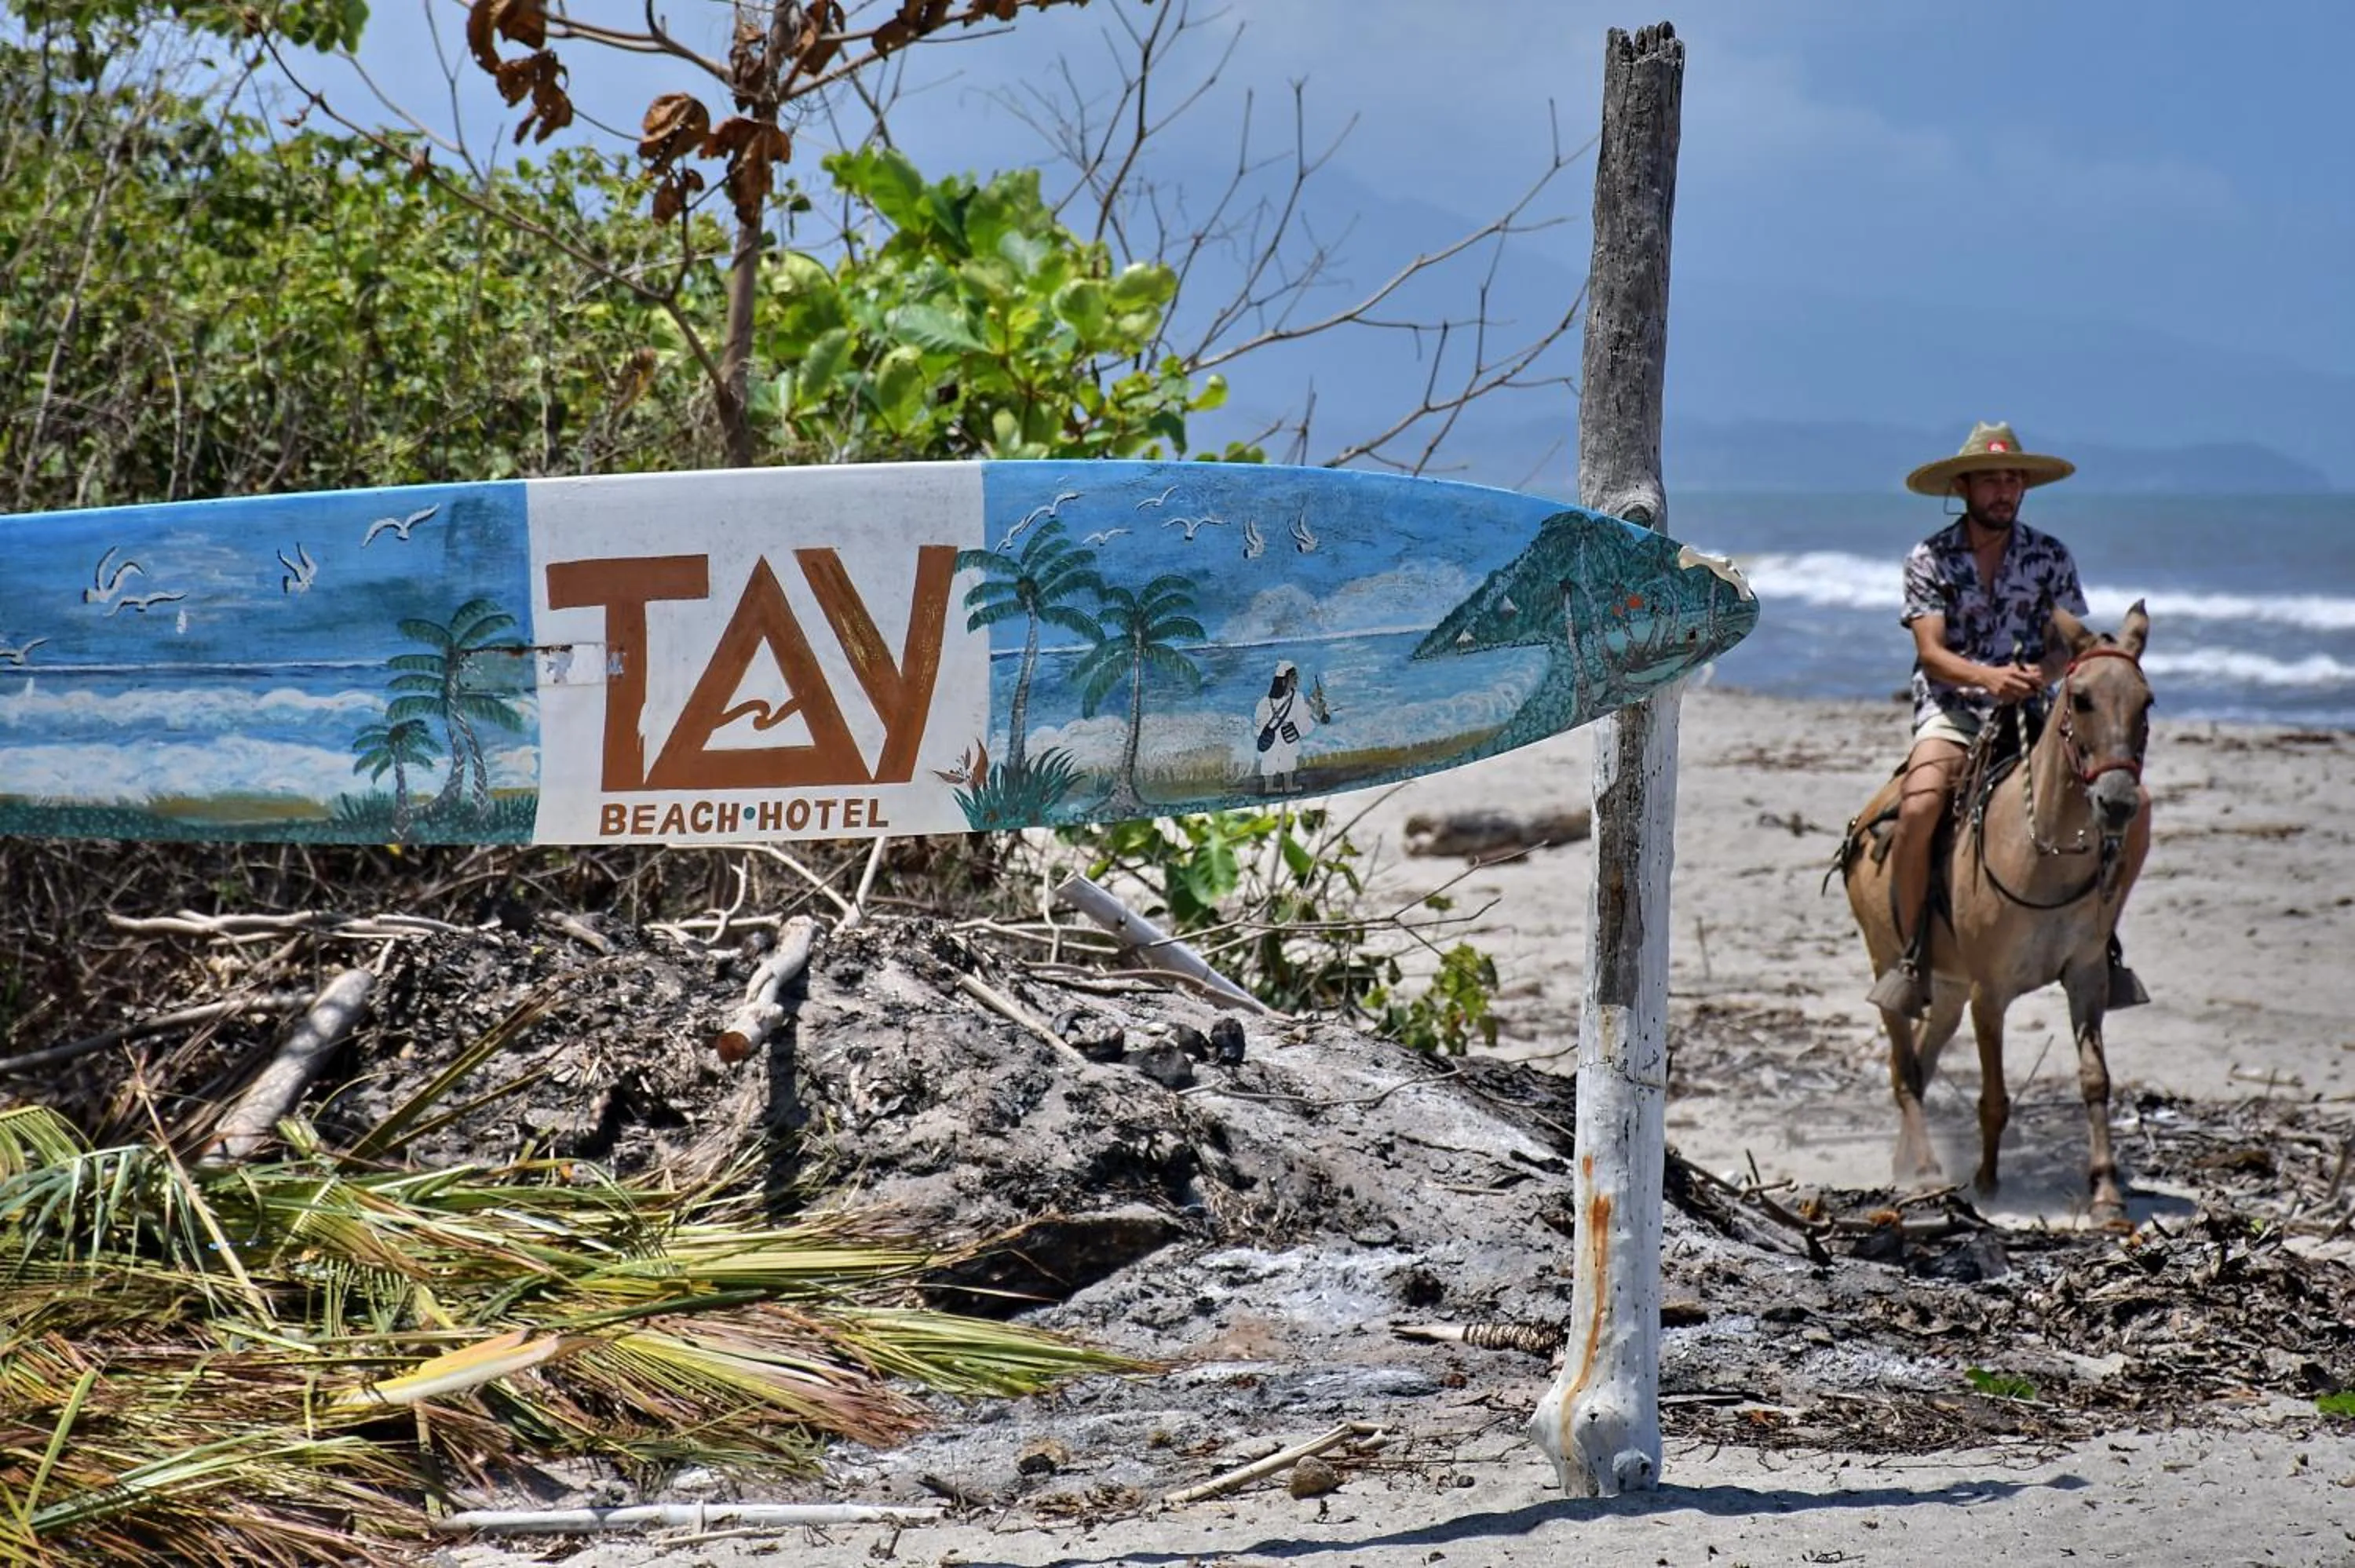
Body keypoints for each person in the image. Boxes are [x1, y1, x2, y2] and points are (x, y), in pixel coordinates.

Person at [1874, 420, 2149, 1017]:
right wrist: (1988, 677)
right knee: (1920, 807)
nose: (2003, 491)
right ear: (1965, 488)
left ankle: (2104, 945)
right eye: (1992, 480)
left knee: (2134, 806)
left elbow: (2070, 643)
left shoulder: (2050, 557)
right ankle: (1912, 956)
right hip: (1953, 711)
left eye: (2012, 480)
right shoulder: (1930, 558)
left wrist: (2044, 676)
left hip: (2039, 715)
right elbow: (1931, 653)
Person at [1252, 660, 1313, 793]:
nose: (1297, 679)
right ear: (1285, 680)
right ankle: (1269, 787)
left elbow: (1302, 715)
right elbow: (1260, 719)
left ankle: (1288, 785)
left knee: (1289, 758)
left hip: (1286, 733)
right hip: (1276, 734)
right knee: (1270, 759)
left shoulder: (1297, 697)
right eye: (1294, 676)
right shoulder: (1267, 701)